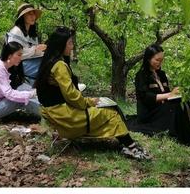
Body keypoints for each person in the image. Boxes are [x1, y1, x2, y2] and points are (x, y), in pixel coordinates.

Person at [35, 26, 150, 160]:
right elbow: (71, 96)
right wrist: (89, 102)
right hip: (64, 115)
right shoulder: (59, 65)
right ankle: (131, 146)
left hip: (56, 112)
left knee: (107, 110)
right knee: (111, 113)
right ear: (61, 45)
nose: (72, 47)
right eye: (70, 43)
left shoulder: (49, 61)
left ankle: (128, 144)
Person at [128, 43, 190, 148]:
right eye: (157, 60)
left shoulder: (162, 74)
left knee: (184, 102)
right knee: (174, 107)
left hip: (162, 107)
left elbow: (167, 93)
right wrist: (169, 94)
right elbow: (146, 97)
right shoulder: (141, 76)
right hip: (150, 112)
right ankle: (188, 139)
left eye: (162, 60)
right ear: (148, 59)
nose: (160, 63)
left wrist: (178, 93)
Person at [0, 42, 41, 121]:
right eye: (19, 55)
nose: (21, 58)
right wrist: (31, 94)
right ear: (9, 55)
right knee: (19, 99)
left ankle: (48, 109)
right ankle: (47, 115)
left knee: (23, 89)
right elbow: (10, 94)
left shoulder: (4, 67)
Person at [5, 3, 46, 81]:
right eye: (29, 14)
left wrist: (42, 51)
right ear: (23, 17)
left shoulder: (32, 34)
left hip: (30, 62)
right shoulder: (16, 32)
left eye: (33, 14)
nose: (33, 17)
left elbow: (35, 53)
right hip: (18, 67)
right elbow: (13, 54)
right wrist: (35, 49)